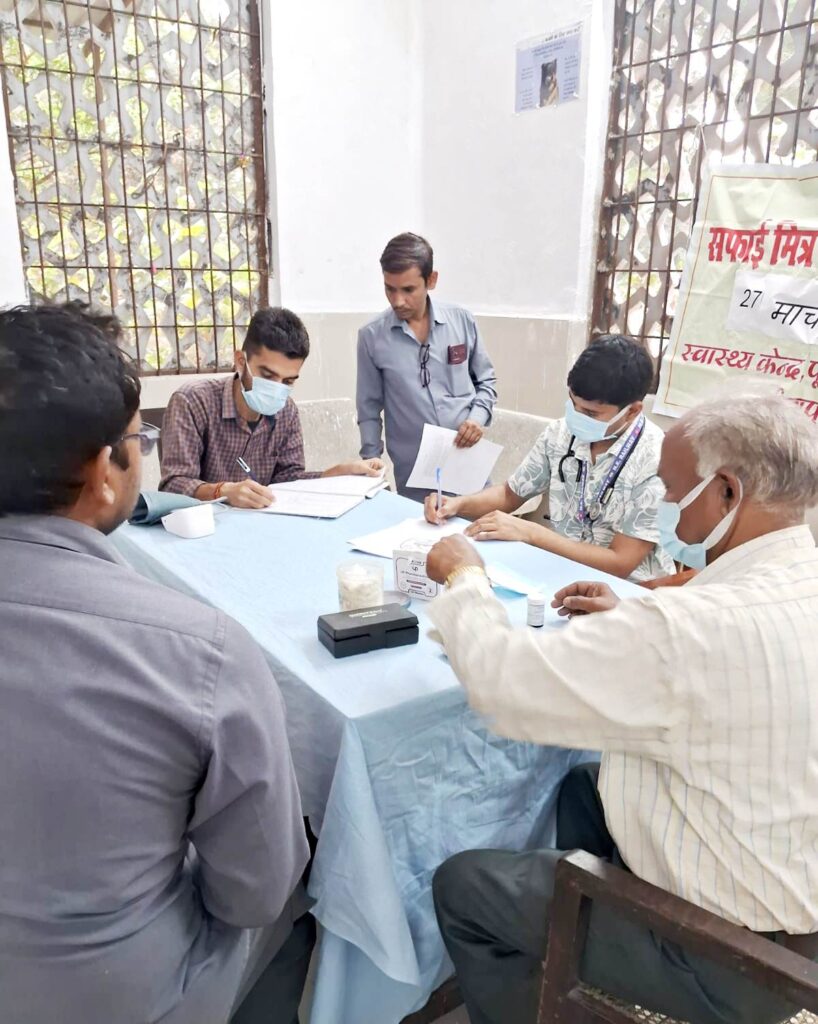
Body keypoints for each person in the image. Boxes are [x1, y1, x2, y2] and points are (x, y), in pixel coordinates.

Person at [423, 394, 818, 1024]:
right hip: (794, 909)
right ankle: (574, 960)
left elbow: (504, 684)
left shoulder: (688, 627)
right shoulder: (793, 582)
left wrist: (465, 578)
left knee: (464, 885)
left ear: (726, 493)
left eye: (672, 490)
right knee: (584, 785)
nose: (664, 504)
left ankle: (570, 979)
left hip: (725, 958)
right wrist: (633, 613)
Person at [0, 302, 314, 1024]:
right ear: (103, 471)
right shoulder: (201, 653)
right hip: (120, 994)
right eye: (132, 436)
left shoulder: (284, 418)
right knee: (298, 894)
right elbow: (254, 893)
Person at [425, 334, 673, 581]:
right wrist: (458, 504)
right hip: (562, 571)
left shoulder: (657, 460)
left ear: (632, 411)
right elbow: (510, 494)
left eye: (590, 413)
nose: (576, 416)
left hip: (630, 589)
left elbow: (620, 563)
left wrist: (531, 533)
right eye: (572, 403)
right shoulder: (560, 433)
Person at [161, 306, 382, 509]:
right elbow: (173, 485)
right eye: (267, 376)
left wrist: (335, 474)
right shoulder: (193, 401)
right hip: (202, 527)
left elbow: (288, 481)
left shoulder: (286, 411)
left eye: (288, 381)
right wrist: (223, 491)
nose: (276, 389)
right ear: (241, 362)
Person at [357, 232, 498, 500]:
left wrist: (477, 419)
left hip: (470, 467)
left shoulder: (462, 321)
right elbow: (368, 409)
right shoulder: (371, 337)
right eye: (390, 289)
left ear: (431, 280)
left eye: (408, 290)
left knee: (481, 527)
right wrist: (371, 461)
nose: (397, 300)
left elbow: (486, 382)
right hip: (414, 478)